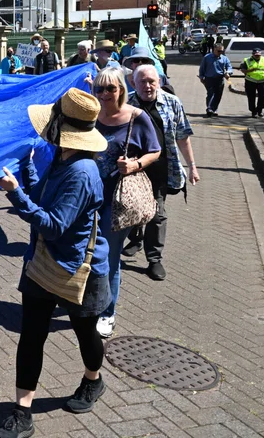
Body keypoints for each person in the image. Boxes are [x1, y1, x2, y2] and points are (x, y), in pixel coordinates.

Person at [0, 88, 110, 438]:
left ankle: (93, 380)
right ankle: (22, 411)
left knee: (85, 332)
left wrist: (15, 194)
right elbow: (41, 194)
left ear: (63, 127)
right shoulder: (62, 157)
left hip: (78, 268)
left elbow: (55, 226)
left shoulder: (82, 173)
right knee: (31, 336)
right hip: (43, 261)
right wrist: (27, 166)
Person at [90, 67, 161, 338]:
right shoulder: (92, 115)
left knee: (109, 256)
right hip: (89, 195)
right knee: (86, 250)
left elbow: (155, 150)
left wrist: (135, 164)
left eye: (110, 88)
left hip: (118, 199)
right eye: (99, 89)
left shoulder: (136, 117)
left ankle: (107, 312)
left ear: (121, 88)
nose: (105, 94)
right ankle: (90, 300)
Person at [124, 65, 200, 281]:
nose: (147, 86)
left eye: (152, 81)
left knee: (157, 215)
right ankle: (136, 237)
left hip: (160, 171)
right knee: (129, 210)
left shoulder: (172, 102)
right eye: (142, 82)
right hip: (130, 171)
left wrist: (192, 166)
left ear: (159, 81)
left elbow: (183, 137)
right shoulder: (126, 103)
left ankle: (154, 259)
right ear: (133, 83)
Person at [240, 47, 264, 118]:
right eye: (255, 55)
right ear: (252, 54)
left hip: (262, 81)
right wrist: (250, 70)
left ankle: (259, 110)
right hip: (251, 81)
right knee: (251, 97)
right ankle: (253, 111)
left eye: (258, 55)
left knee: (263, 96)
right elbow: (243, 70)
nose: (257, 56)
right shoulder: (247, 60)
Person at [198, 42, 232, 117]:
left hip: (219, 79)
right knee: (211, 93)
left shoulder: (224, 58)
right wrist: (201, 77)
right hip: (209, 79)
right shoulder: (207, 57)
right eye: (218, 51)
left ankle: (214, 109)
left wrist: (228, 73)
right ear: (214, 50)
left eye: (221, 51)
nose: (220, 53)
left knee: (218, 95)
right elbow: (202, 68)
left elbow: (229, 67)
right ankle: (209, 109)